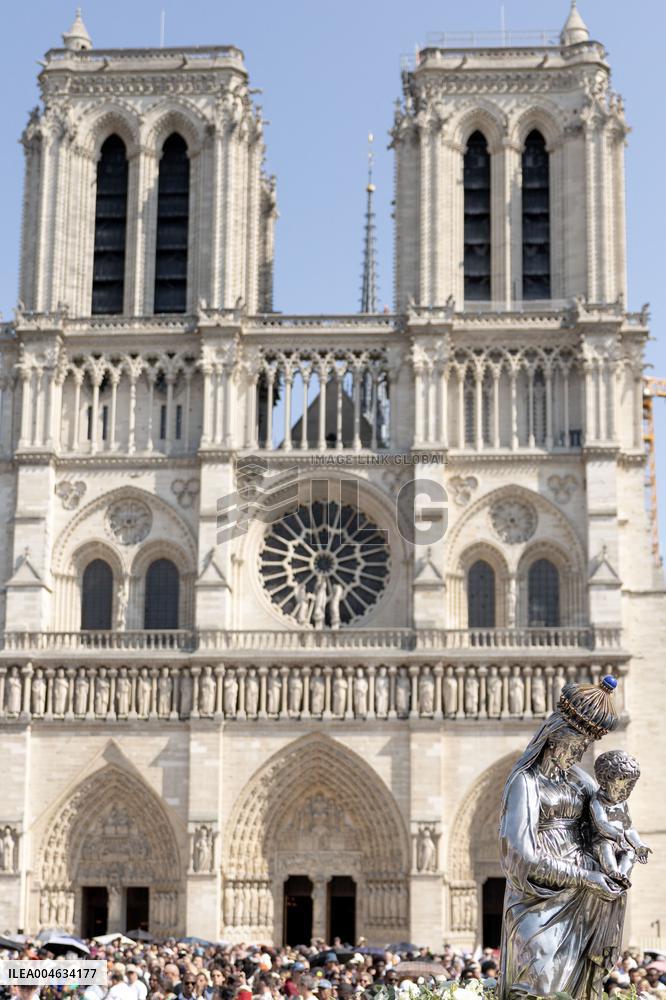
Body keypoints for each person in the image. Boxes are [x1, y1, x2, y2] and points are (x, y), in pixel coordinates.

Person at [499, 675, 627, 1000]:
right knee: (542, 985)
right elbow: (520, 854)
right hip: (537, 900)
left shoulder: (580, 783)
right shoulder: (526, 784)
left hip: (581, 900)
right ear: (554, 739)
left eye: (584, 747)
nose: (578, 754)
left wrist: (616, 863)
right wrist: (586, 877)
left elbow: (602, 828)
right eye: (575, 746)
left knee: (574, 988)